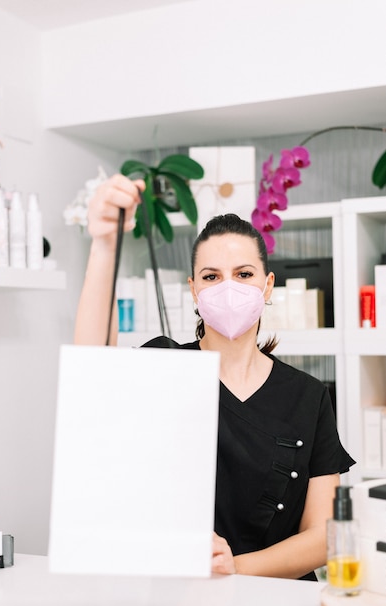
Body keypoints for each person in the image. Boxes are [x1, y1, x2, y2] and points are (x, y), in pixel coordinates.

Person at [75, 173, 355, 581]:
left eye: (243, 274)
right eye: (211, 276)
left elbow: (322, 538)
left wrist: (233, 568)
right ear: (193, 290)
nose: (228, 288)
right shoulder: (164, 365)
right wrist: (104, 245)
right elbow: (91, 369)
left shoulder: (307, 396)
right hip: (178, 595)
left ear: (267, 285)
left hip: (276, 599)